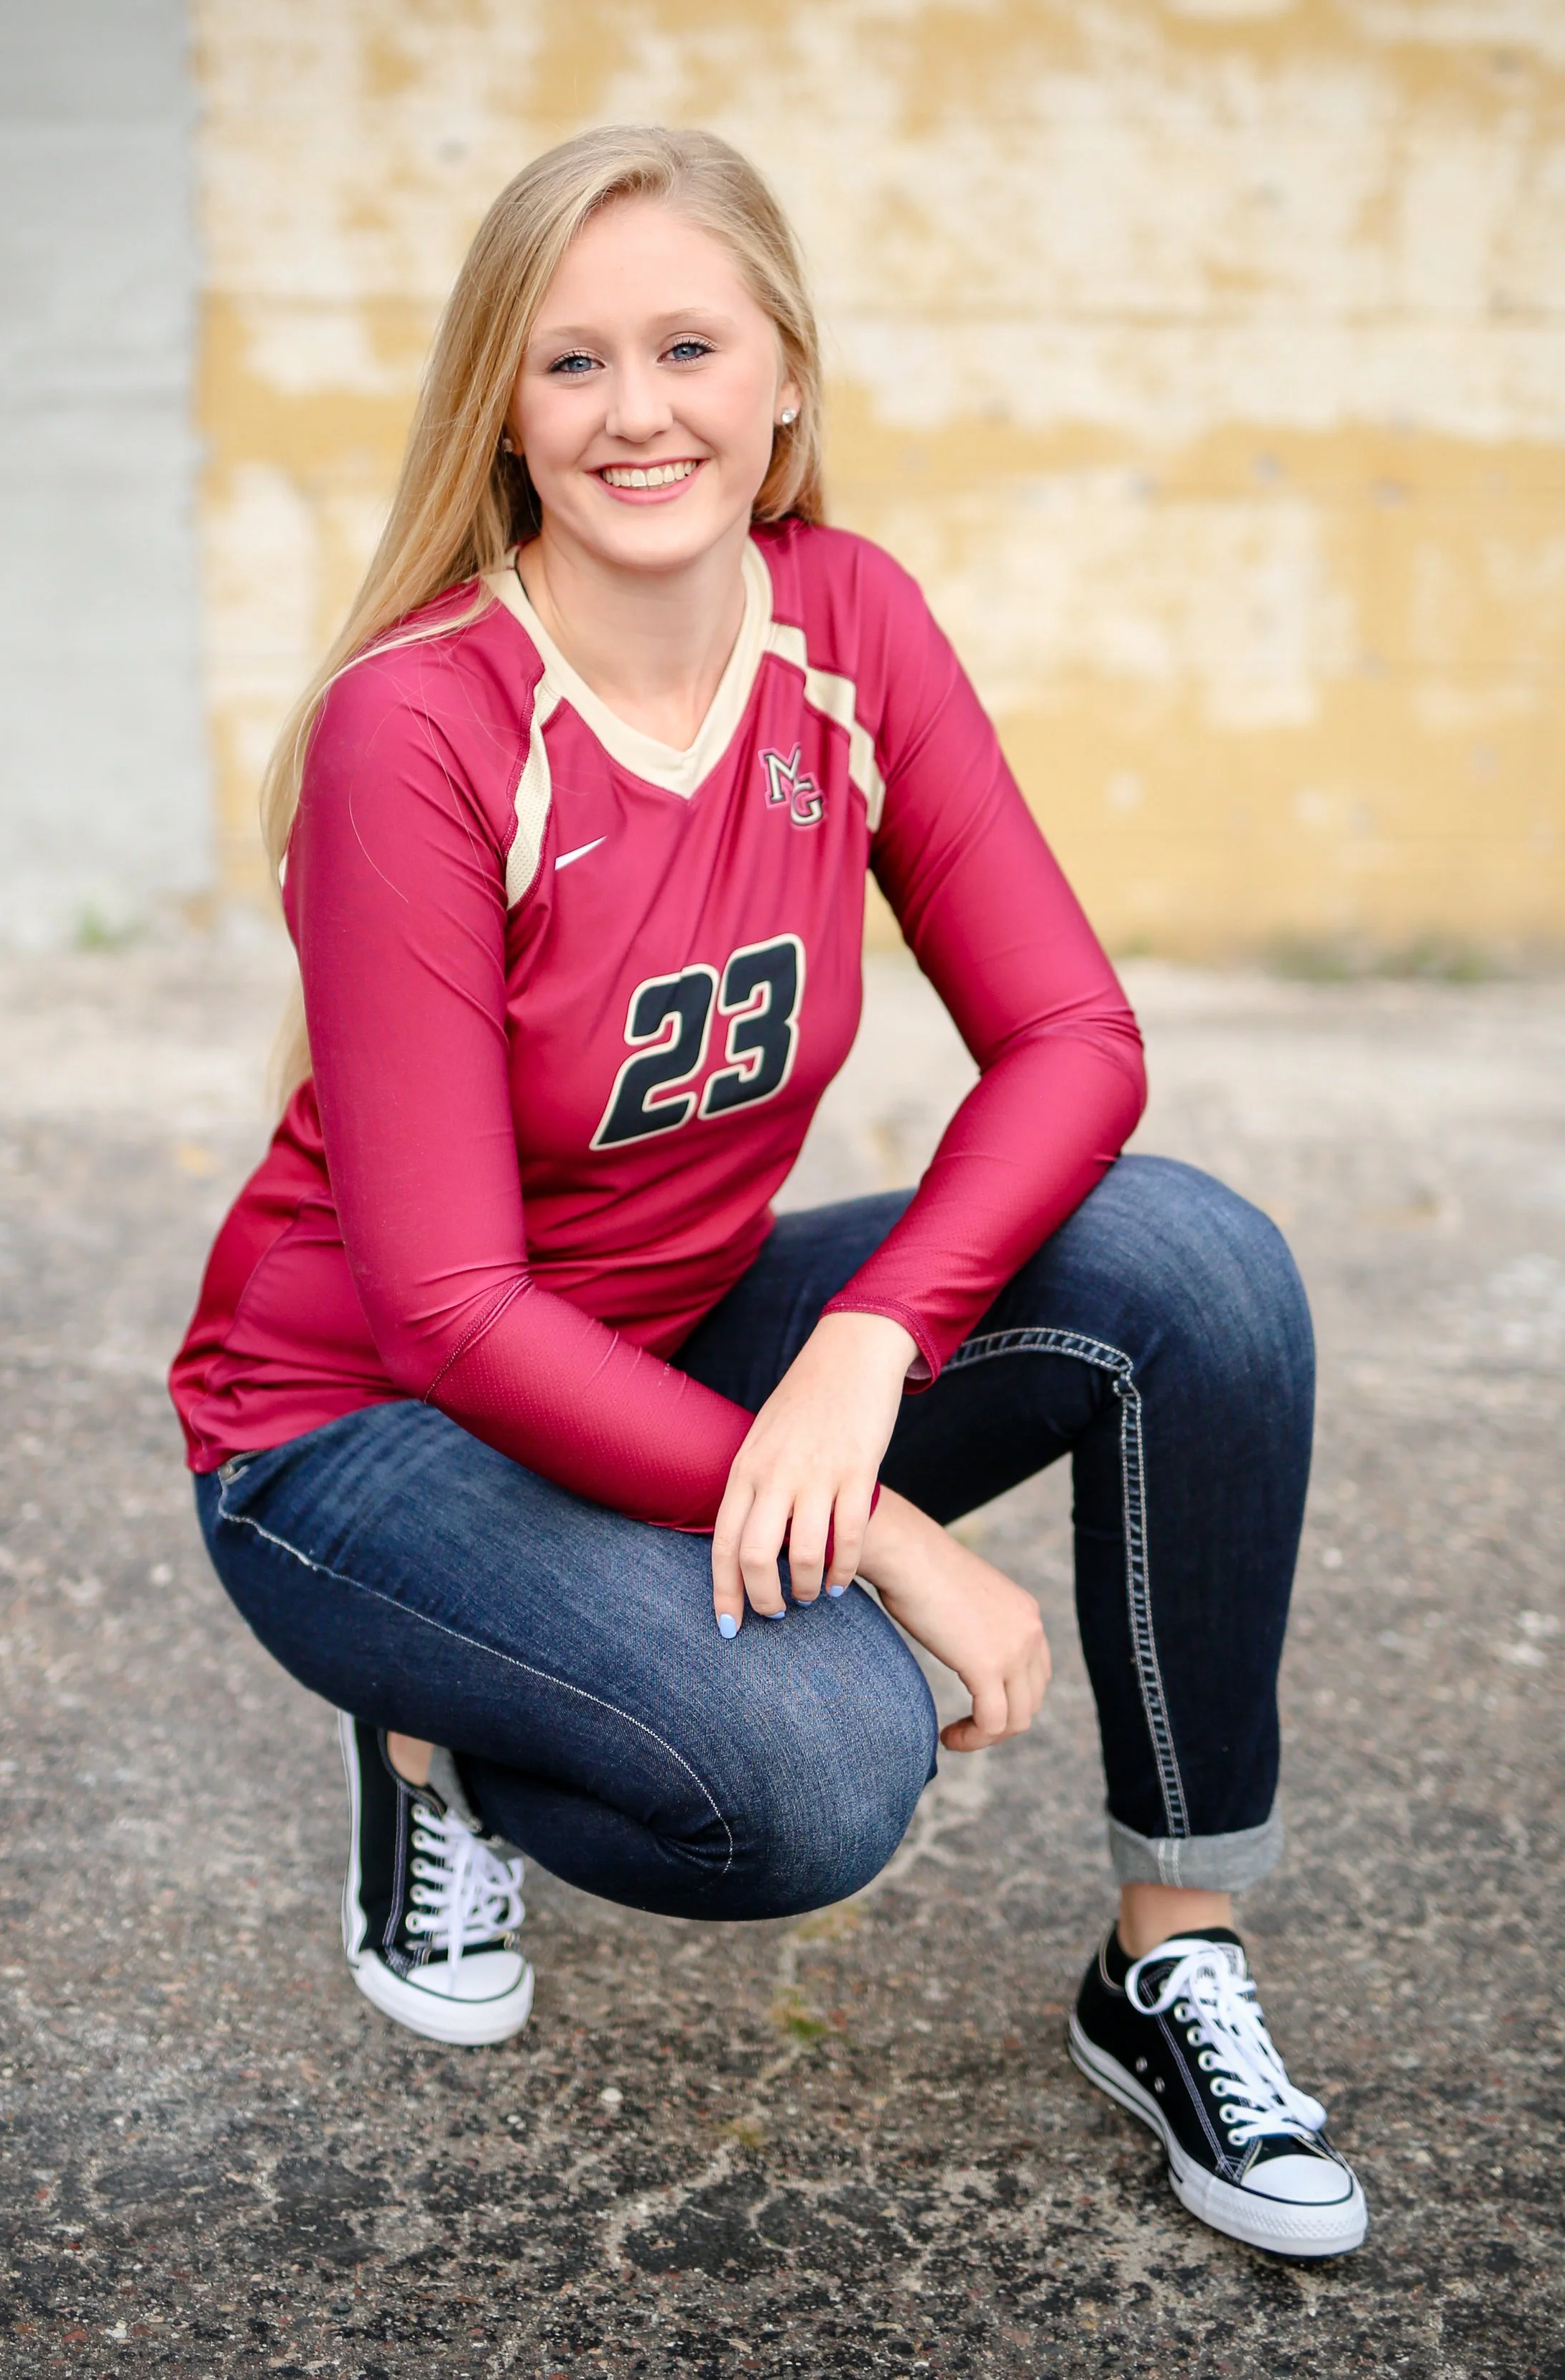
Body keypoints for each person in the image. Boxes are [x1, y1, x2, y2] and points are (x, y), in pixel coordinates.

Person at [169, 126, 1366, 2262]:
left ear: (786, 371)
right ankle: (436, 1718)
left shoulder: (847, 622)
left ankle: (1170, 1962)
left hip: (665, 1330)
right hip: (361, 1430)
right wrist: (887, 1530)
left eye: (689, 344)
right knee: (812, 1773)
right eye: (569, 364)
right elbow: (444, 1306)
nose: (639, 412)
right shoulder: (421, 728)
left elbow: (1076, 1039)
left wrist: (866, 1339)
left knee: (1198, 1270)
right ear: (500, 409)